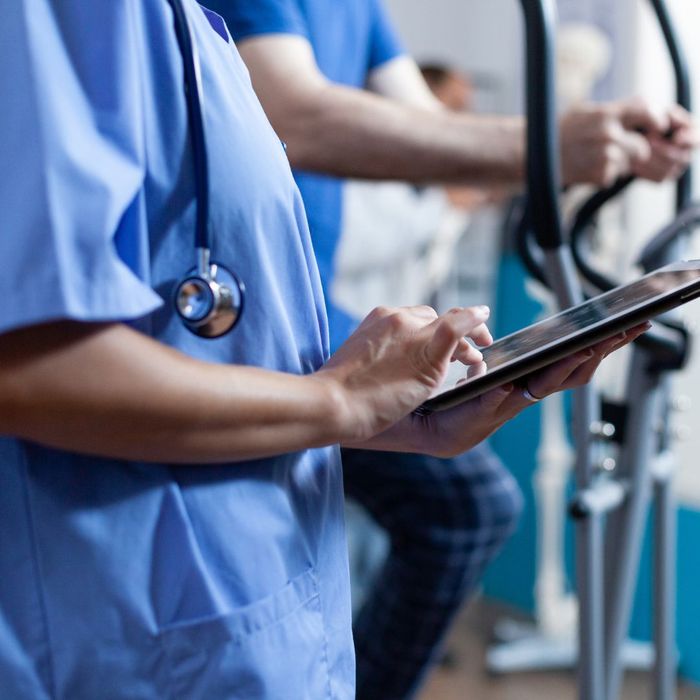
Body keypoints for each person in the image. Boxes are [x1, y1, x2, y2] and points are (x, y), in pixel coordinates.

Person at [0, 2, 652, 698]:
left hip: (244, 617)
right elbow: (27, 364)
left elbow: (425, 129)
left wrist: (385, 418)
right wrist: (338, 399)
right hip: (120, 637)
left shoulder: (199, 30)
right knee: (461, 508)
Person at [205, 1, 696, 697]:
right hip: (246, 318)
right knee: (461, 506)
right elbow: (293, 115)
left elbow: (437, 135)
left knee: (459, 501)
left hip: (307, 311)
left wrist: (584, 145)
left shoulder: (357, 9)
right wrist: (548, 144)